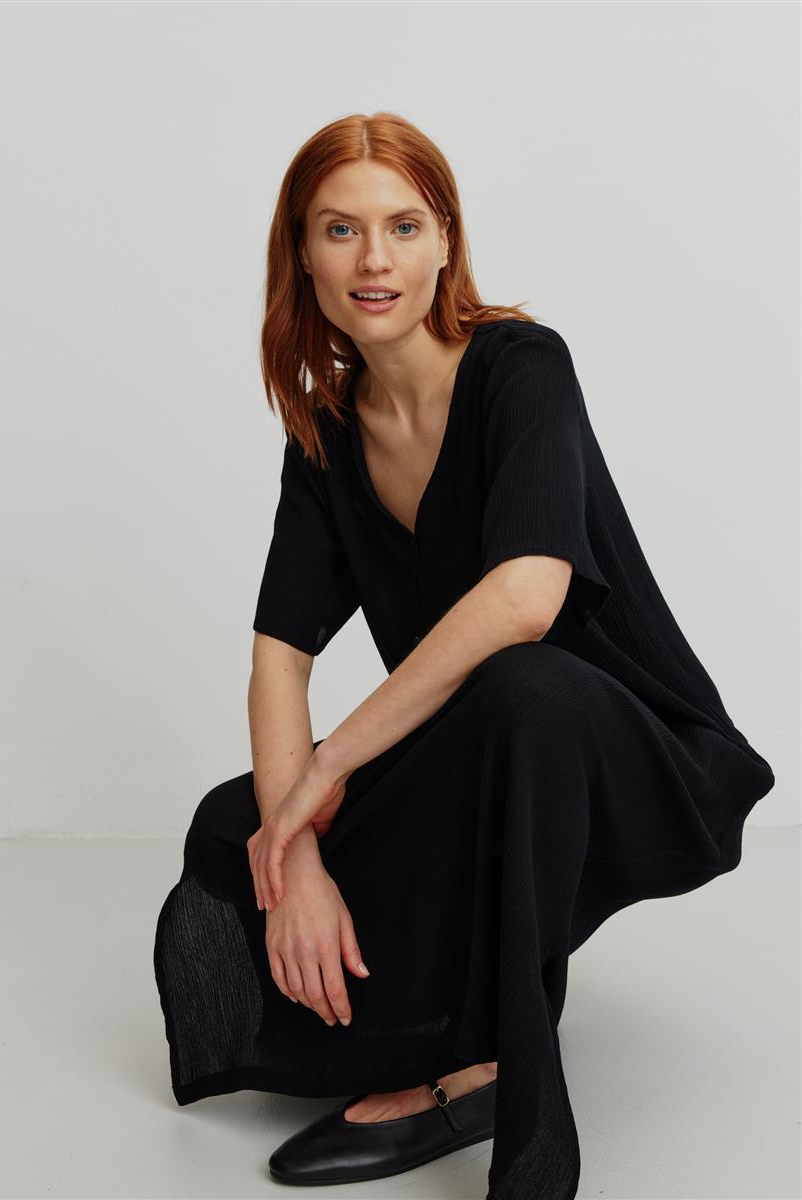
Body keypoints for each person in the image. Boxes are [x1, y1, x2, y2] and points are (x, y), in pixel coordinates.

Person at [153, 112, 776, 1200]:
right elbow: (278, 657)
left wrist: (327, 769)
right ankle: (425, 1029)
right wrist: (295, 851)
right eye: (340, 230)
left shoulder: (521, 367)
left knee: (521, 691)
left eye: (403, 226)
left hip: (630, 749)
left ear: (446, 241)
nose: (374, 259)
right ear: (303, 254)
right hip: (480, 746)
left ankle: (486, 1073)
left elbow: (527, 597)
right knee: (232, 826)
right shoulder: (326, 432)